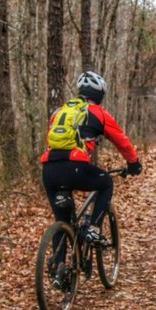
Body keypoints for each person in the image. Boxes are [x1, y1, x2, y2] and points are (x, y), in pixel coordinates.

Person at [41, 71, 143, 246]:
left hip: (49, 170)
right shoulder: (98, 113)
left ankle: (58, 269)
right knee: (106, 183)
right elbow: (122, 142)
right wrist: (134, 163)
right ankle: (93, 229)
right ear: (100, 94)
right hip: (75, 168)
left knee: (62, 220)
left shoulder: (59, 112)